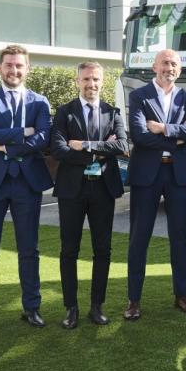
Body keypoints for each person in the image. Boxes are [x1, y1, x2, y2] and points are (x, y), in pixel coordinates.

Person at [0, 44, 54, 332]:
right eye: (9, 65)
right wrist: (22, 133)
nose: (14, 70)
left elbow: (43, 138)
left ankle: (32, 308)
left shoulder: (40, 102)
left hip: (26, 182)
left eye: (19, 65)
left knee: (29, 249)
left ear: (27, 68)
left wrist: (5, 145)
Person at [125, 49, 186, 320]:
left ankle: (182, 294)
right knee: (139, 238)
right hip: (147, 177)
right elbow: (139, 136)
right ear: (154, 67)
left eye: (174, 64)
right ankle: (134, 300)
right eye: (165, 63)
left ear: (179, 70)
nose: (169, 67)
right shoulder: (139, 96)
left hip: (177, 176)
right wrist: (178, 138)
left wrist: (164, 128)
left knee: (179, 237)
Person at [50, 62, 128, 329]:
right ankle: (71, 308)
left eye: (95, 79)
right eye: (86, 79)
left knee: (102, 250)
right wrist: (99, 151)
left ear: (102, 81)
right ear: (77, 81)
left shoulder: (112, 112)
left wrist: (86, 146)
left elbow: (122, 145)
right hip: (72, 190)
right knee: (68, 250)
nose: (91, 84)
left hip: (103, 189)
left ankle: (97, 306)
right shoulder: (64, 112)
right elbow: (58, 148)